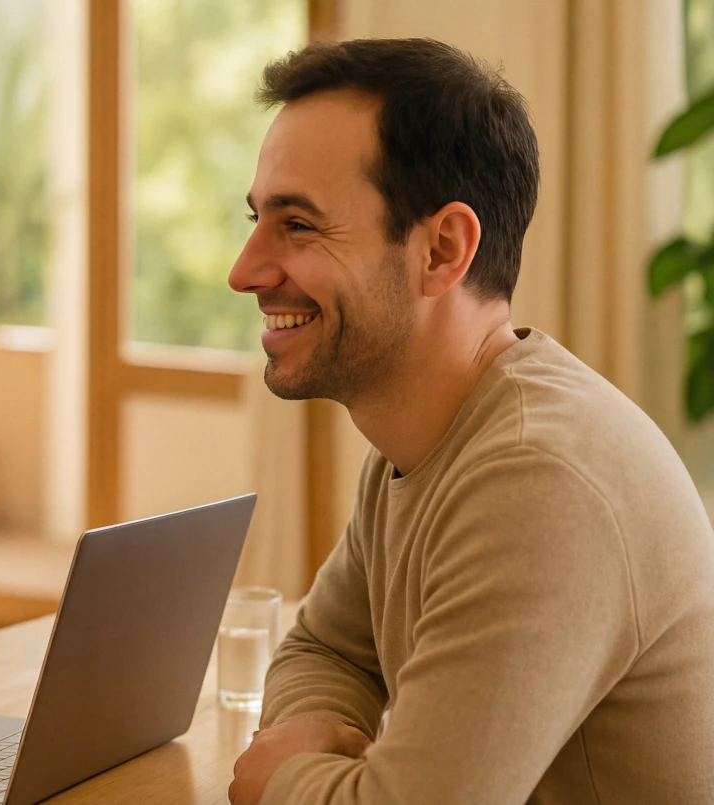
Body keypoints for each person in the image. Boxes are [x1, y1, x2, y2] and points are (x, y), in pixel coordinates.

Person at [226, 38, 714, 805]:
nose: (244, 269)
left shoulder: (538, 478)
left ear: (442, 249)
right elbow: (324, 647)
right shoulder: (422, 442)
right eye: (258, 219)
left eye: (298, 226)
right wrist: (322, 741)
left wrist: (280, 776)